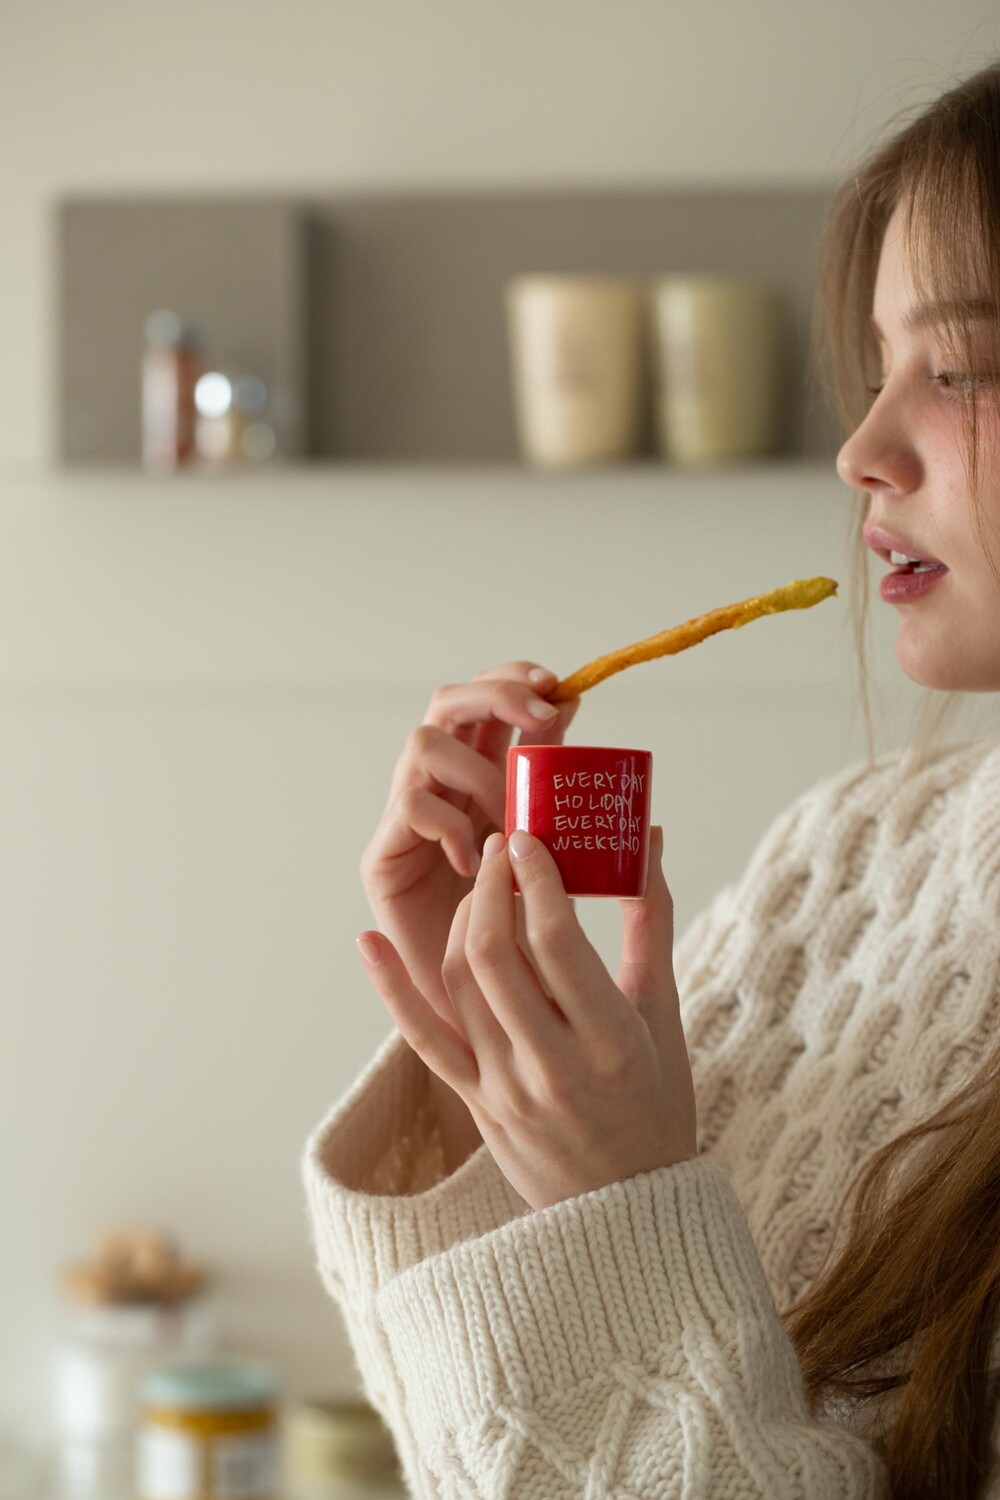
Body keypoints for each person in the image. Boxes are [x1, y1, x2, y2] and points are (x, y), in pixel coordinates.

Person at [302, 62, 1000, 1500]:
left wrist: (619, 1208)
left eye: (961, 367)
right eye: (879, 368)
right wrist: (482, 1066)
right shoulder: (849, 855)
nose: (860, 450)